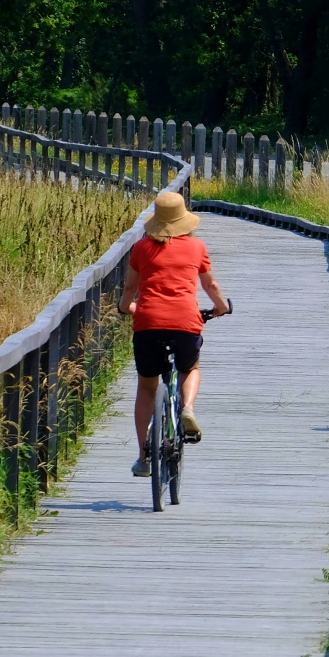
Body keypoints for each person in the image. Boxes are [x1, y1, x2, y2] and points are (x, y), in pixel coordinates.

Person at [119, 191, 230, 477]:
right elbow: (211, 286)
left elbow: (131, 290)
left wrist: (125, 307)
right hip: (185, 322)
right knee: (190, 368)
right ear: (184, 221)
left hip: (147, 322)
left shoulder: (141, 248)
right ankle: (188, 408)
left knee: (146, 387)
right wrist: (221, 307)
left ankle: (143, 457)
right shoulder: (196, 247)